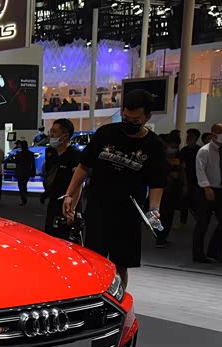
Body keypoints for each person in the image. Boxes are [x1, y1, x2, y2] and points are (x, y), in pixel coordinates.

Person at [63, 89, 167, 290]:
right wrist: (70, 194)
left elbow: (157, 182)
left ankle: (117, 301)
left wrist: (154, 209)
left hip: (129, 214)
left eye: (135, 120)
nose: (129, 123)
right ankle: (93, 295)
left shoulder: (154, 145)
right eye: (126, 117)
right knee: (94, 259)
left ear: (148, 117)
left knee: (121, 264)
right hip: (98, 208)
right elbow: (84, 166)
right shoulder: (106, 133)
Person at [193, 123, 222, 264]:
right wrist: (207, 188)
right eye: (221, 131)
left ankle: (214, 251)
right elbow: (200, 171)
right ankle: (198, 254)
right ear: (213, 134)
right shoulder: (204, 151)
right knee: (203, 222)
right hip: (206, 189)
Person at [43, 118, 81, 237]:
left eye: (54, 132)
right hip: (53, 202)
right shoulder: (51, 153)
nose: (51, 135)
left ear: (65, 136)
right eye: (51, 131)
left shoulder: (74, 155)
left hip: (67, 203)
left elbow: (79, 184)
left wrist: (72, 210)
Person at [156, 132, 186, 248]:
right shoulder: (160, 157)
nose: (174, 149)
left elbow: (182, 171)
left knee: (169, 215)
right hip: (162, 189)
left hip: (174, 189)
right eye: (172, 146)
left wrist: (184, 184)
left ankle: (163, 237)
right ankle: (160, 237)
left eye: (176, 146)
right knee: (162, 214)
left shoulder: (178, 157)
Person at [179, 128, 201, 227]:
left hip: (197, 180)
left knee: (196, 203)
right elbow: (181, 165)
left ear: (196, 138)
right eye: (188, 136)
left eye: (191, 136)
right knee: (184, 202)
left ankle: (200, 222)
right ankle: (183, 222)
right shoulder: (184, 150)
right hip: (185, 179)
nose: (188, 138)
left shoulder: (199, 150)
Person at [14, 140, 35, 206]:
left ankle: (23, 197)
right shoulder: (31, 154)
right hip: (27, 171)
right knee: (24, 184)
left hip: (20, 171)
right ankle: (24, 196)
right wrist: (33, 171)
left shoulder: (19, 154)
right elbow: (33, 164)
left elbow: (16, 162)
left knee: (21, 185)